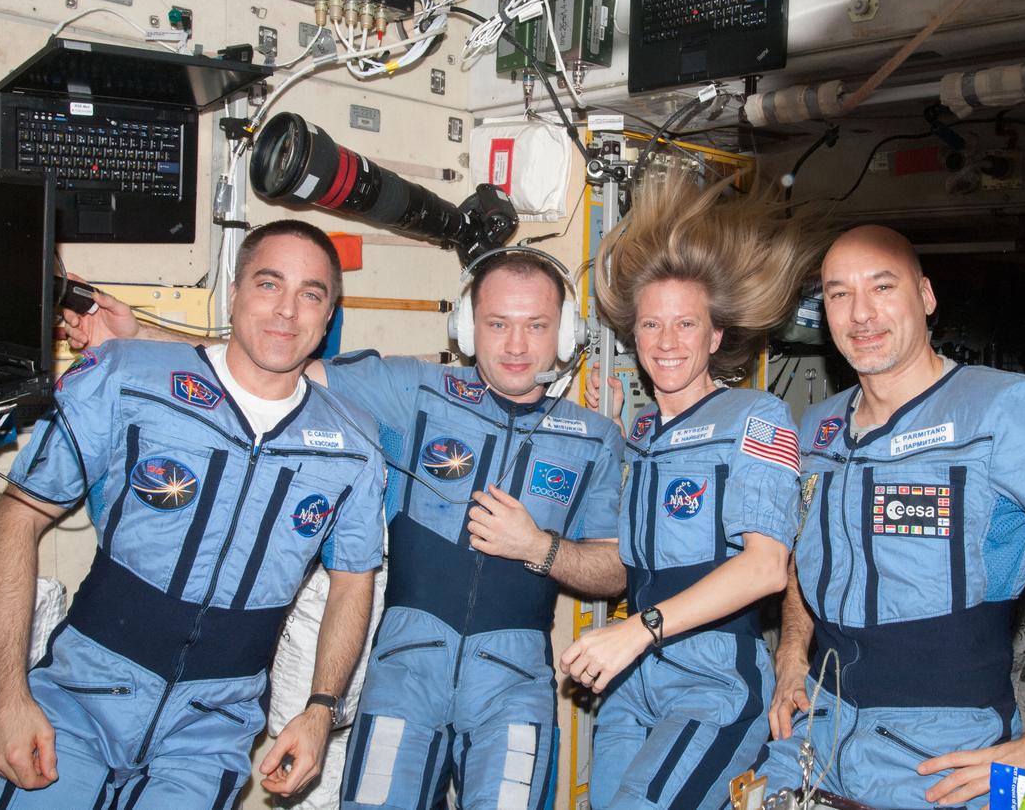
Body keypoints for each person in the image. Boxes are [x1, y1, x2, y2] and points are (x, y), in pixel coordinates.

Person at [64, 244, 627, 810]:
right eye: (497, 323)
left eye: (536, 326)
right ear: (465, 326)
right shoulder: (415, 390)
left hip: (515, 683)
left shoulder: (595, 437)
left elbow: (613, 573)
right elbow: (270, 362)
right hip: (405, 671)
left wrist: (537, 546)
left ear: (566, 334)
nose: (515, 344)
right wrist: (139, 338)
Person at [760, 225, 1025, 808]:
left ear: (927, 296)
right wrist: (791, 654)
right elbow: (799, 548)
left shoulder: (1017, 410)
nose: (861, 313)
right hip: (814, 733)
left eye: (882, 287)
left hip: (944, 758)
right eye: (839, 293)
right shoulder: (818, 427)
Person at [0, 220, 386, 806]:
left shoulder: (354, 446)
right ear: (235, 293)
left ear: (327, 320)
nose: (287, 310)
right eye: (269, 284)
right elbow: (14, 520)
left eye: (311, 294)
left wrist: (320, 709)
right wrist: (8, 697)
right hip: (77, 701)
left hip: (212, 731)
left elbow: (353, 583)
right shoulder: (125, 379)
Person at [560, 173, 821, 810]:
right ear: (634, 338)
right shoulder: (646, 432)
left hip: (712, 682)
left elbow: (765, 568)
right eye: (652, 325)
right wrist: (620, 430)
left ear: (716, 336)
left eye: (686, 324)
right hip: (632, 683)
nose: (668, 341)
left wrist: (639, 629)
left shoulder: (756, 418)